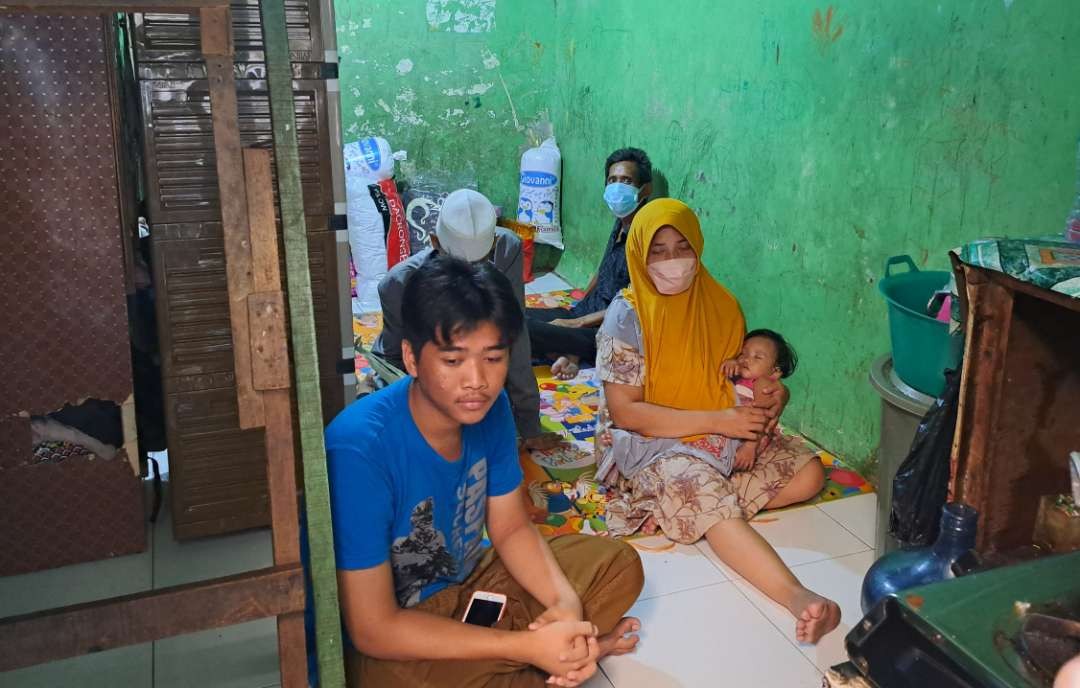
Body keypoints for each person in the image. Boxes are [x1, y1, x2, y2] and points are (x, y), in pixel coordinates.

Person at [326, 254, 645, 687]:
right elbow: (373, 628)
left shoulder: (491, 410)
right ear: (412, 358)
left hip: (470, 579)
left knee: (619, 564)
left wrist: (565, 605)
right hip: (399, 628)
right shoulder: (359, 446)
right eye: (454, 361)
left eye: (493, 359)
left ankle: (554, 650)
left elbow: (511, 528)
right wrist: (524, 647)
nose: (477, 380)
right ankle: (559, 654)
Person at [596, 198, 841, 644]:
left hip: (718, 429)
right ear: (638, 254)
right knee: (704, 491)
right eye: (658, 250)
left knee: (808, 473)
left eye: (682, 246)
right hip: (650, 436)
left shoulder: (722, 305)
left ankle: (692, 509)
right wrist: (721, 422)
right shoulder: (626, 315)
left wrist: (767, 406)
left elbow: (744, 381)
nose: (672, 261)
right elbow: (626, 412)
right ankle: (796, 595)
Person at [372, 188, 560, 449]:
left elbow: (516, 337)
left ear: (493, 245)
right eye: (456, 267)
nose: (468, 282)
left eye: (478, 265)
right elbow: (391, 359)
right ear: (434, 242)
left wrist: (529, 424)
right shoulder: (398, 285)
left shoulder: (508, 250)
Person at [527, 148, 653, 380]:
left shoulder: (646, 235)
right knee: (513, 313)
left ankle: (571, 350)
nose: (617, 187)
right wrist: (579, 307)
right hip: (586, 313)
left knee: (527, 331)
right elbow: (604, 269)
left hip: (609, 331)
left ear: (645, 189)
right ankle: (569, 352)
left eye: (627, 180)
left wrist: (577, 323)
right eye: (612, 180)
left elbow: (638, 305)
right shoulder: (621, 222)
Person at [720, 329, 800, 469]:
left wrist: (750, 447)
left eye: (757, 357)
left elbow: (762, 416)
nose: (746, 359)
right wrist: (729, 363)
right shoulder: (737, 378)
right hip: (732, 431)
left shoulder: (762, 383)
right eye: (742, 353)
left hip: (750, 439)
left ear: (774, 372)